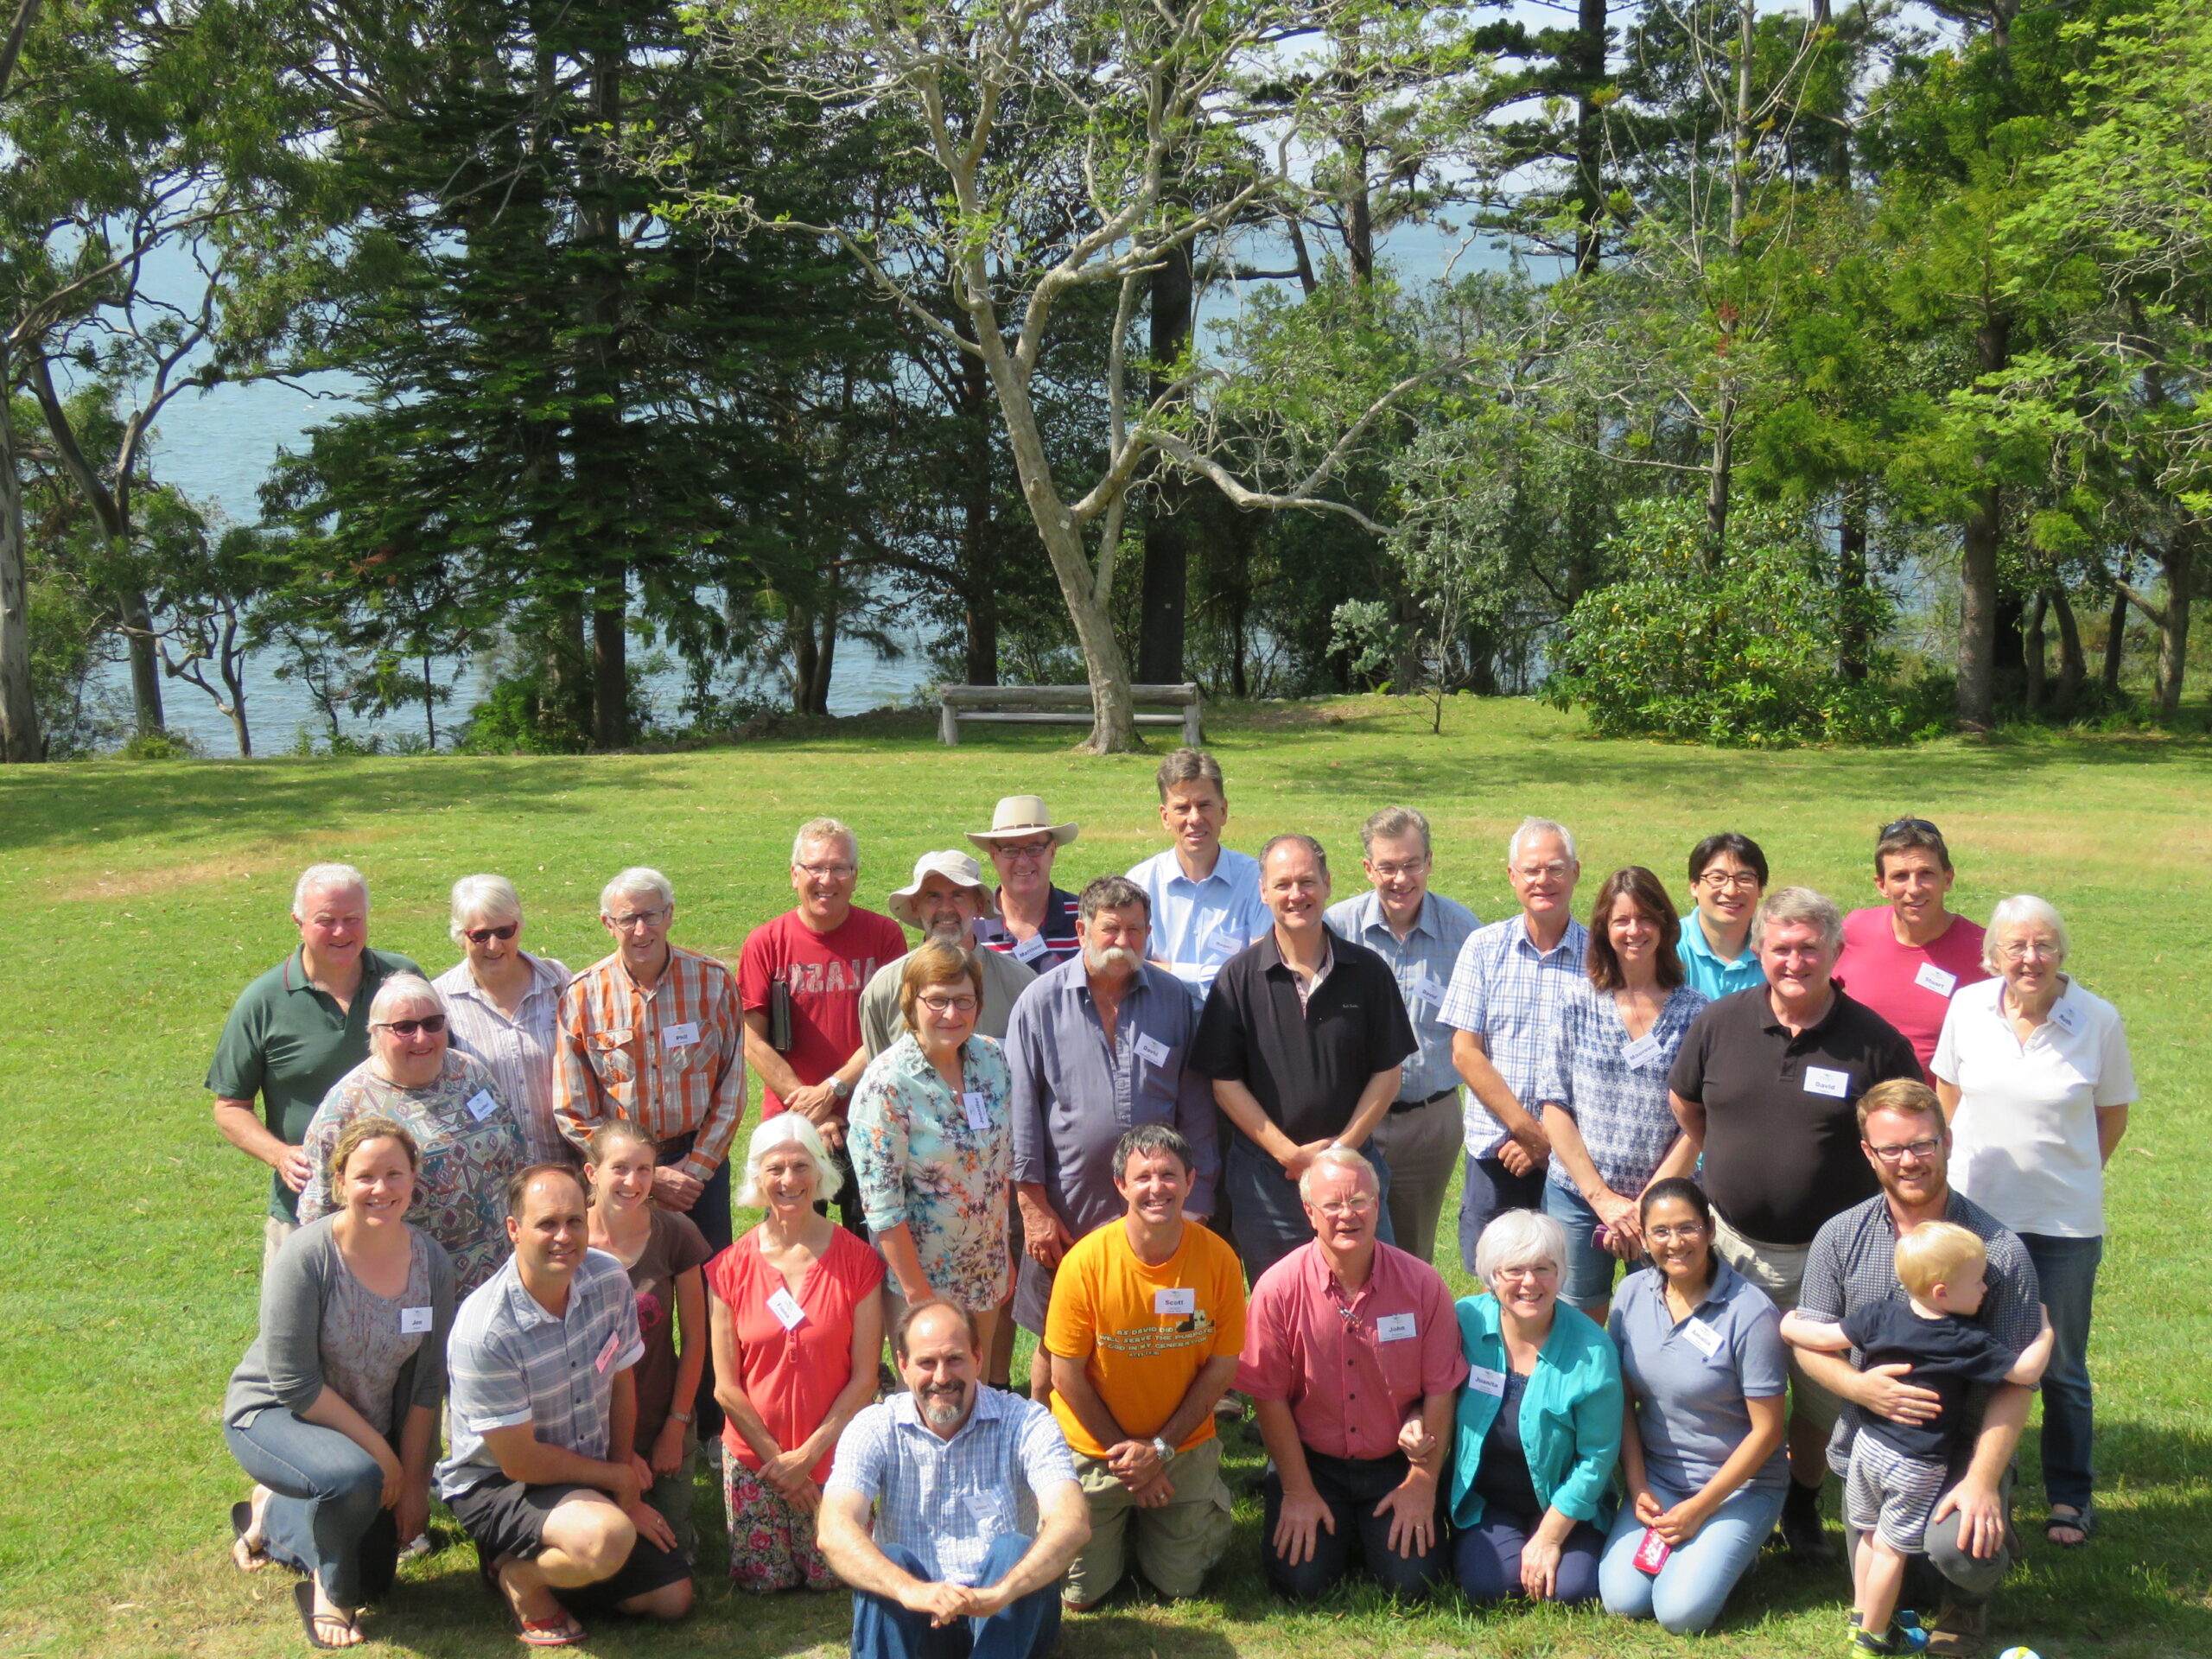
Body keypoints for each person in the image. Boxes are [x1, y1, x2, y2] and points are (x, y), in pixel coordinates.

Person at [1667, 886, 1922, 1558]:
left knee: (1815, 1392)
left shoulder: (1875, 1044)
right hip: (1728, 1248)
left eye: (1810, 948)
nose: (1795, 961)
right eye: (1781, 947)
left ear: (1835, 952)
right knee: (1722, 1381)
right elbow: (1688, 1106)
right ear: (1760, 950)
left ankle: (1803, 1502)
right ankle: (1726, 1500)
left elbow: (1907, 1140)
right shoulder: (1719, 1023)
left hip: (1830, 1258)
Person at [1789, 1080, 2046, 1659]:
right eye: (1891, 1149)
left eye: (1922, 1144)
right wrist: (1860, 1388)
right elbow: (1810, 1343)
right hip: (1872, 1448)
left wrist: (1981, 1481)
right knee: (1882, 1580)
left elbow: (2018, 1383)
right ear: (1868, 1153)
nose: (1909, 1161)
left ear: (1947, 1141)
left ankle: (1967, 1604)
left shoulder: (1997, 1252)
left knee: (1960, 1549)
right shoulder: (1840, 1236)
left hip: (1961, 1444)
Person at [1933, 894, 2135, 1551]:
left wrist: (2072, 1175)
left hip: (2063, 1226)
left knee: (2062, 1367)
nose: (2030, 957)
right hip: (1976, 1222)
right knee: (1973, 1357)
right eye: (2016, 946)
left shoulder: (2097, 1019)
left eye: (2044, 944)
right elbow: (1948, 1095)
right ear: (1993, 955)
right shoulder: (1967, 1007)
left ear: (2062, 952)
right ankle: (1977, 1481)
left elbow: (2111, 1115)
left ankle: (2071, 1496)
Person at [437, 1165, 694, 1645]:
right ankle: (524, 1578)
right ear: (514, 1229)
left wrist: (623, 1480)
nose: (564, 1236)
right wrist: (618, 1482)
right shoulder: (486, 1329)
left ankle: (551, 1562)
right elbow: (520, 1460)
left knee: (672, 1599)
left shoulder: (610, 1279)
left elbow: (622, 1385)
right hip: (499, 1483)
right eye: (546, 1223)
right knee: (607, 1539)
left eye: (575, 1221)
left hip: (582, 1473)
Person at [225, 1118, 454, 1650]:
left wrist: (416, 1484)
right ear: (340, 1183)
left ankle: (270, 1509)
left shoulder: (431, 1262)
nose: (381, 1189)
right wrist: (384, 1457)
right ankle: (328, 1593)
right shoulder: (307, 1257)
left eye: (394, 1174)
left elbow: (425, 1385)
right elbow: (295, 1382)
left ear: (414, 1178)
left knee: (378, 1581)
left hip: (361, 1431)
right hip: (275, 1412)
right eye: (365, 1176)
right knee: (354, 1479)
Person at [556, 867, 747, 1435]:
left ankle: (712, 1425)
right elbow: (572, 1106)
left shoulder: (713, 982)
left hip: (698, 1165)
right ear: (607, 923)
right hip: (619, 1178)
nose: (640, 929)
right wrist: (647, 1176)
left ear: (670, 915)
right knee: (618, 1295)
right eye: (627, 917)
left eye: (650, 914)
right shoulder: (584, 995)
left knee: (714, 1297)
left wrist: (696, 1169)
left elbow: (733, 1085)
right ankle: (617, 1424)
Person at [1005, 876, 1218, 1381]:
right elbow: (1019, 1111)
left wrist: (1199, 1198)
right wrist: (1033, 1207)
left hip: (1157, 1200)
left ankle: (1155, 1435)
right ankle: (1048, 1447)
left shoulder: (1176, 1002)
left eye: (1135, 931)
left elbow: (1198, 1109)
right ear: (1081, 930)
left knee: (1156, 1328)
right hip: (1068, 1203)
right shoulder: (1039, 1003)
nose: (1123, 943)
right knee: (1058, 1336)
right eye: (1111, 930)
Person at [1191, 833, 1417, 1281]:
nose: (1297, 895)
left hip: (1355, 1175)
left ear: (1328, 883)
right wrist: (1289, 1155)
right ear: (1263, 891)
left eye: (1307, 881)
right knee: (1281, 1309)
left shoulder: (1368, 972)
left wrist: (1341, 1151)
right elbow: (1225, 1083)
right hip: (1268, 1187)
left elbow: (1388, 1073)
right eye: (1283, 884)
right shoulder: (1237, 979)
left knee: (1371, 1295)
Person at [1237, 1148, 1459, 1601]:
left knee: (1412, 1583)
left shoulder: (1423, 1284)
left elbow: (1440, 1390)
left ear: (1378, 1206)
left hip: (1396, 1463)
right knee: (1301, 1583)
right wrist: (1297, 1489)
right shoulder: (1278, 1289)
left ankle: (1363, 1531)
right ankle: (1328, 1518)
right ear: (1309, 1212)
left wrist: (1422, 1483)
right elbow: (1269, 1397)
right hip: (1313, 1464)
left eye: (1359, 1201)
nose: (1347, 1215)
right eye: (1332, 1205)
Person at [1043, 1125, 1244, 1610]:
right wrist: (1133, 1461)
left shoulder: (1218, 1259)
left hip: (1182, 1444)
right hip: (1096, 1448)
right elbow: (1064, 1375)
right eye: (1144, 1177)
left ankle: (1143, 1523)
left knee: (1180, 1588)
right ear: (1121, 1186)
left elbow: (1220, 1370)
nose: (1157, 1188)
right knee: (1080, 1596)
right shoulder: (1085, 1263)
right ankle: (1122, 1516)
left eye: (1170, 1175)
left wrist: (1160, 1448)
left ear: (1191, 1180)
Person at [820, 1300, 1090, 1659]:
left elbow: (1073, 1521)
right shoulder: (874, 1426)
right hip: (913, 1611)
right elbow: (833, 1528)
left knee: (1012, 1549)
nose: (942, 1377)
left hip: (1004, 1609)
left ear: (979, 1357)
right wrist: (907, 1590)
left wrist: (1004, 1591)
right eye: (927, 1363)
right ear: (903, 1364)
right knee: (890, 1560)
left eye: (955, 1359)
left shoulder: (1026, 1421)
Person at [1599, 1178, 1789, 1636]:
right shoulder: (1631, 1295)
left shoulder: (1751, 1312)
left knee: (1679, 1613)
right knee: (1623, 1600)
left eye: (1687, 1228)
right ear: (1643, 1239)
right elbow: (1623, 1398)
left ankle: (1734, 1552)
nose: (1675, 1243)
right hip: (1661, 1480)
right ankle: (1712, 1555)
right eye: (1660, 1231)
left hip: (1740, 1487)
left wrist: (1701, 1508)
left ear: (1709, 1230)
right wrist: (1638, 1481)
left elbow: (1767, 1432)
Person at [207, 863, 423, 1261]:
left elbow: (441, 1063)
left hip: (401, 1208)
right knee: (297, 1323)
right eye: (327, 921)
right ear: (299, 921)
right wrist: (278, 1155)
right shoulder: (263, 1002)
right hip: (303, 1211)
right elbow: (230, 1107)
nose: (341, 932)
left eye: (352, 919)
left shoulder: (401, 980)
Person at [709, 1114, 886, 1592]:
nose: (789, 1181)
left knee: (836, 1576)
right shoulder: (728, 1268)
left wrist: (807, 1457)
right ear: (757, 1179)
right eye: (775, 1169)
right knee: (766, 1581)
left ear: (820, 1172)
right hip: (758, 1459)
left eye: (801, 1166)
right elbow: (726, 1387)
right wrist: (780, 1463)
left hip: (833, 1455)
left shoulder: (859, 1261)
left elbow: (866, 1378)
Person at [1537, 867, 1707, 1320]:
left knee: (1660, 1320)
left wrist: (1647, 1206)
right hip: (1578, 1197)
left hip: (1666, 1206)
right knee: (1576, 1320)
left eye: (1646, 918)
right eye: (1621, 921)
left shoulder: (1696, 1012)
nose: (1634, 931)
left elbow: (1699, 1120)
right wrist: (1603, 1201)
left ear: (1665, 926)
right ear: (1604, 929)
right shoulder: (1576, 1001)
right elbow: (1553, 1105)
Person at [296, 974, 526, 1294]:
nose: (422, 1038)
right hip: (409, 1288)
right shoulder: (347, 1106)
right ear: (376, 1032)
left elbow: (517, 1160)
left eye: (433, 1023)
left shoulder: (471, 1073)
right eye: (404, 1027)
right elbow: (317, 1217)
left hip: (496, 1279)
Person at [1322, 805, 1481, 1269]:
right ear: (1368, 868)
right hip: (1347, 1120)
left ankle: (1404, 1339)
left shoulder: (1464, 932)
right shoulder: (1337, 929)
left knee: (1410, 1256)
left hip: (1426, 1123)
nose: (1401, 878)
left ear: (1430, 862)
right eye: (1388, 867)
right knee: (1341, 1248)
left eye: (1412, 864)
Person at [740, 819, 908, 1232]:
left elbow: (889, 1033)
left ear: (856, 876)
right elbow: (751, 1038)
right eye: (815, 867)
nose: (826, 879)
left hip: (872, 1118)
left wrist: (834, 1090)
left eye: (840, 868)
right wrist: (810, 1108)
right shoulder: (766, 942)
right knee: (790, 1247)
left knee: (875, 1247)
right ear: (794, 874)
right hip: (791, 1128)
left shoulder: (885, 937)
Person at [1448, 1209, 1622, 1606]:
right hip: (1488, 1499)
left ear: (1561, 1273)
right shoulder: (1465, 1322)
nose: (1530, 1283)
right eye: (1514, 1270)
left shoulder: (1593, 1349)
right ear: (1491, 1276)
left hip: (1566, 1501)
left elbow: (1597, 1457)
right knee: (1490, 1587)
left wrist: (1549, 1536)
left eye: (1544, 1268)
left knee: (1571, 1590)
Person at [849, 941, 1014, 1357]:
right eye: (937, 1000)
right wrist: (920, 1296)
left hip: (986, 1270)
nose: (952, 1014)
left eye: (964, 1000)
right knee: (932, 1403)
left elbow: (999, 1167)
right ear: (911, 1001)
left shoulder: (992, 1059)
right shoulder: (887, 1082)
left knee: (976, 1389)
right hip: (921, 1280)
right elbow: (882, 1207)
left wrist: (1004, 1255)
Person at [1440, 817, 1589, 1267]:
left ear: (1576, 873)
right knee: (1496, 1285)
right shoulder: (1483, 947)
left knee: (1569, 1289)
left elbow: (1602, 1064)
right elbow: (1466, 1054)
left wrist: (1551, 1143)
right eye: (1532, 870)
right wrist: (1529, 1133)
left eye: (1556, 869)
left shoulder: (1603, 958)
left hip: (1575, 1159)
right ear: (1512, 877)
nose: (1544, 880)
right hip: (1496, 1155)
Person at [585, 1120, 715, 1555]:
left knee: (672, 1553)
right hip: (587, 1429)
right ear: (592, 1174)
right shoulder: (567, 1240)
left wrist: (675, 1429)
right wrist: (618, 1454)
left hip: (660, 1417)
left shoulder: (676, 1232)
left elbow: (696, 1338)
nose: (633, 1182)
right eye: (619, 1168)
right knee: (609, 1550)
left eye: (644, 1170)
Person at [435, 874, 575, 1166]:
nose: (494, 946)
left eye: (504, 931)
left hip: (565, 1167)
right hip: (490, 1176)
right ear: (461, 937)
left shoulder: (557, 982)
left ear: (519, 927)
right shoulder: (440, 1001)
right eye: (481, 935)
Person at [1836, 818, 1991, 1081]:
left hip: (1938, 1112)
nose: (1914, 889)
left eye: (1926, 874)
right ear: (1881, 885)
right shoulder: (1854, 930)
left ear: (1948, 878)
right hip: (1858, 1104)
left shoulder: (1984, 951)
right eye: (1900, 876)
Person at [858, 851, 1038, 1055]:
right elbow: (879, 1079)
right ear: (915, 906)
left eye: (958, 896)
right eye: (933, 897)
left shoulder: (1021, 985)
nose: (945, 908)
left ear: (979, 905)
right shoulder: (884, 990)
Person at [1125, 748, 1269, 1001]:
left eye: (1204, 805)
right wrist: (1225, 974)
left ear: (1223, 810)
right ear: (1165, 817)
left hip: (1237, 1027)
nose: (1195, 818)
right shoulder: (1139, 883)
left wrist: (1166, 970)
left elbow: (1258, 974)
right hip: (1161, 1025)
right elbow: (1128, 968)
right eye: (1182, 808)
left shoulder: (1258, 882)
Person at [968, 795, 1084, 969]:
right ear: (993, 855)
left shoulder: (1086, 917)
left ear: (1052, 851)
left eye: (1034, 849)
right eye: (1010, 850)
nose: (1023, 861)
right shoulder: (971, 925)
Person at [1676, 833, 1769, 999]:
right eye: (1717, 878)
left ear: (1760, 888)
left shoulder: (1777, 947)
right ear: (1694, 886)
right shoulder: (1669, 945)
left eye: (1745, 879)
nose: (1731, 891)